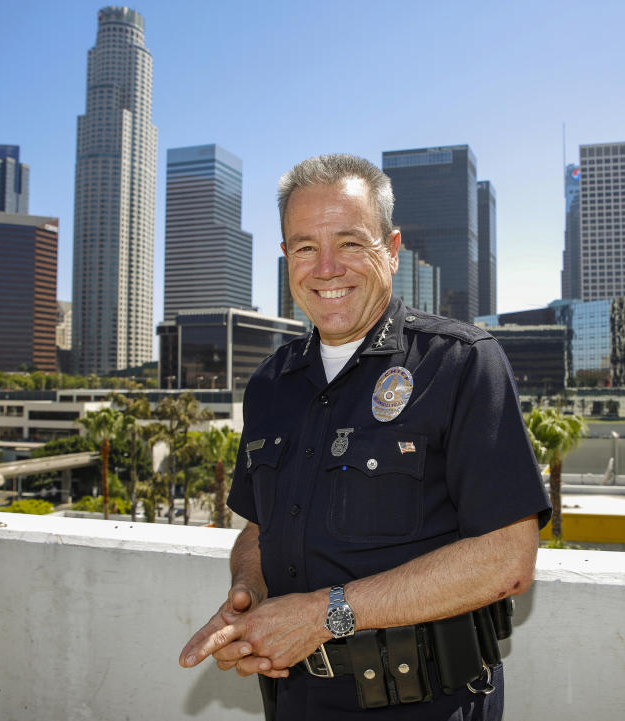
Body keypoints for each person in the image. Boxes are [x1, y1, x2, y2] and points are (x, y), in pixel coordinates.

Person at [179, 154, 551, 720]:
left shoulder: (461, 364)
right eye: (305, 247)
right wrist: (249, 590)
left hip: (426, 705)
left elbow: (506, 560)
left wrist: (322, 615)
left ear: (392, 250)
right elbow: (259, 526)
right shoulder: (270, 384)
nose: (326, 267)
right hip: (293, 700)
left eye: (350, 242)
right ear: (286, 258)